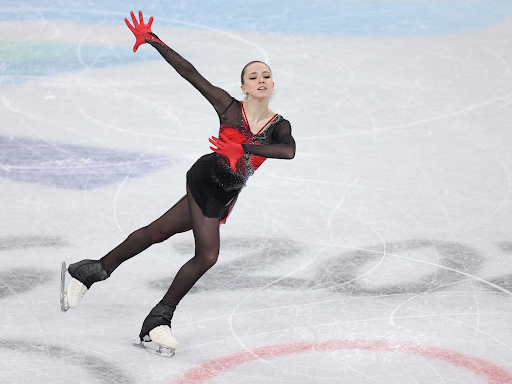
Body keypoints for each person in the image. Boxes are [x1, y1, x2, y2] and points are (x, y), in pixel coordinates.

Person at [64, 10, 296, 356]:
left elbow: (288, 151)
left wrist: (243, 146)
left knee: (157, 231)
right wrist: (154, 40)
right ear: (243, 86)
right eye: (253, 76)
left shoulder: (279, 125)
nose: (261, 80)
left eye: (266, 75)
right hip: (206, 180)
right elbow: (190, 73)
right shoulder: (229, 107)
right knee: (208, 255)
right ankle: (159, 318)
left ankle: (92, 270)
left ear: (273, 85)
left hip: (227, 192)